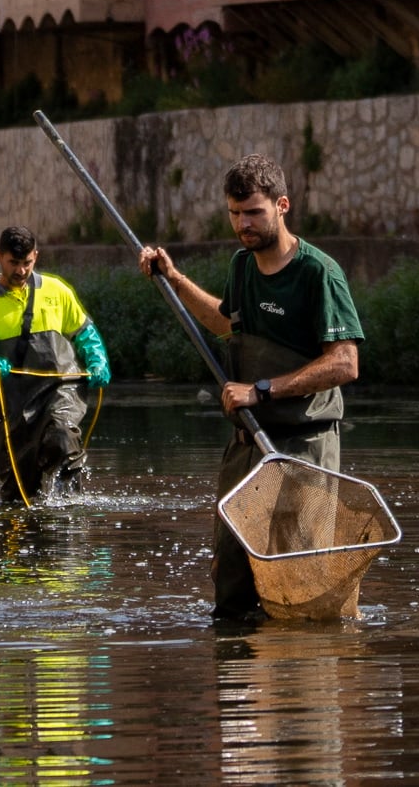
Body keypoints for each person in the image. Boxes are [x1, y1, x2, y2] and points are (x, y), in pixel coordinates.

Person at [138, 151, 366, 626]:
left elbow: (345, 363)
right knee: (232, 573)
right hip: (248, 443)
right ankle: (240, 682)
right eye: (235, 214)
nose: (244, 223)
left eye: (254, 212)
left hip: (303, 444)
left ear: (282, 206)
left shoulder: (318, 273)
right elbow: (227, 324)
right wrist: (174, 280)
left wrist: (261, 389)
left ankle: (302, 676)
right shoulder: (242, 266)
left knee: (298, 566)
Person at [0, 227, 109, 507]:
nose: (21, 270)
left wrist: (97, 360)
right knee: (17, 494)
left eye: (27, 262)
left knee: (62, 439)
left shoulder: (57, 291)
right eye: (14, 263)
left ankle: (70, 518)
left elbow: (86, 333)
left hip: (61, 391)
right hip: (13, 406)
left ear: (35, 256)